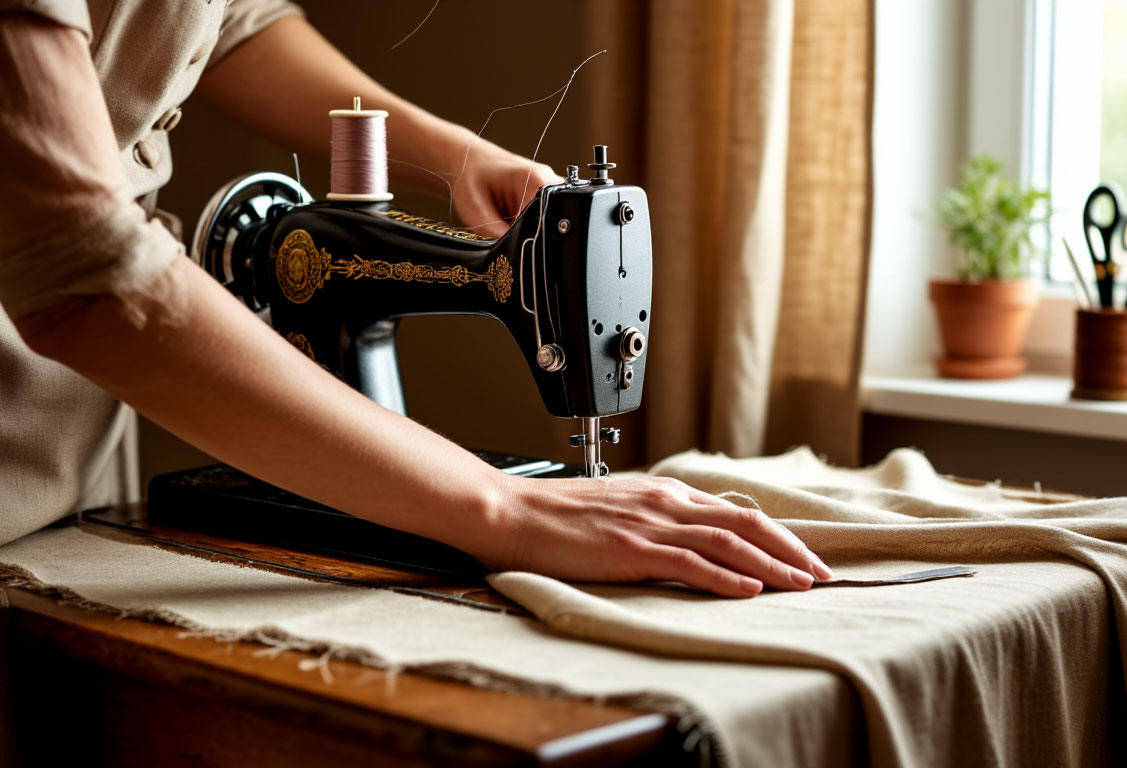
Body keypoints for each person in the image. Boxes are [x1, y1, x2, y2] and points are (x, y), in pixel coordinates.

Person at [0, 2, 831, 598]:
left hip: (79, 459)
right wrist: (506, 507)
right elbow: (88, 270)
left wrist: (454, 156)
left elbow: (224, 20)